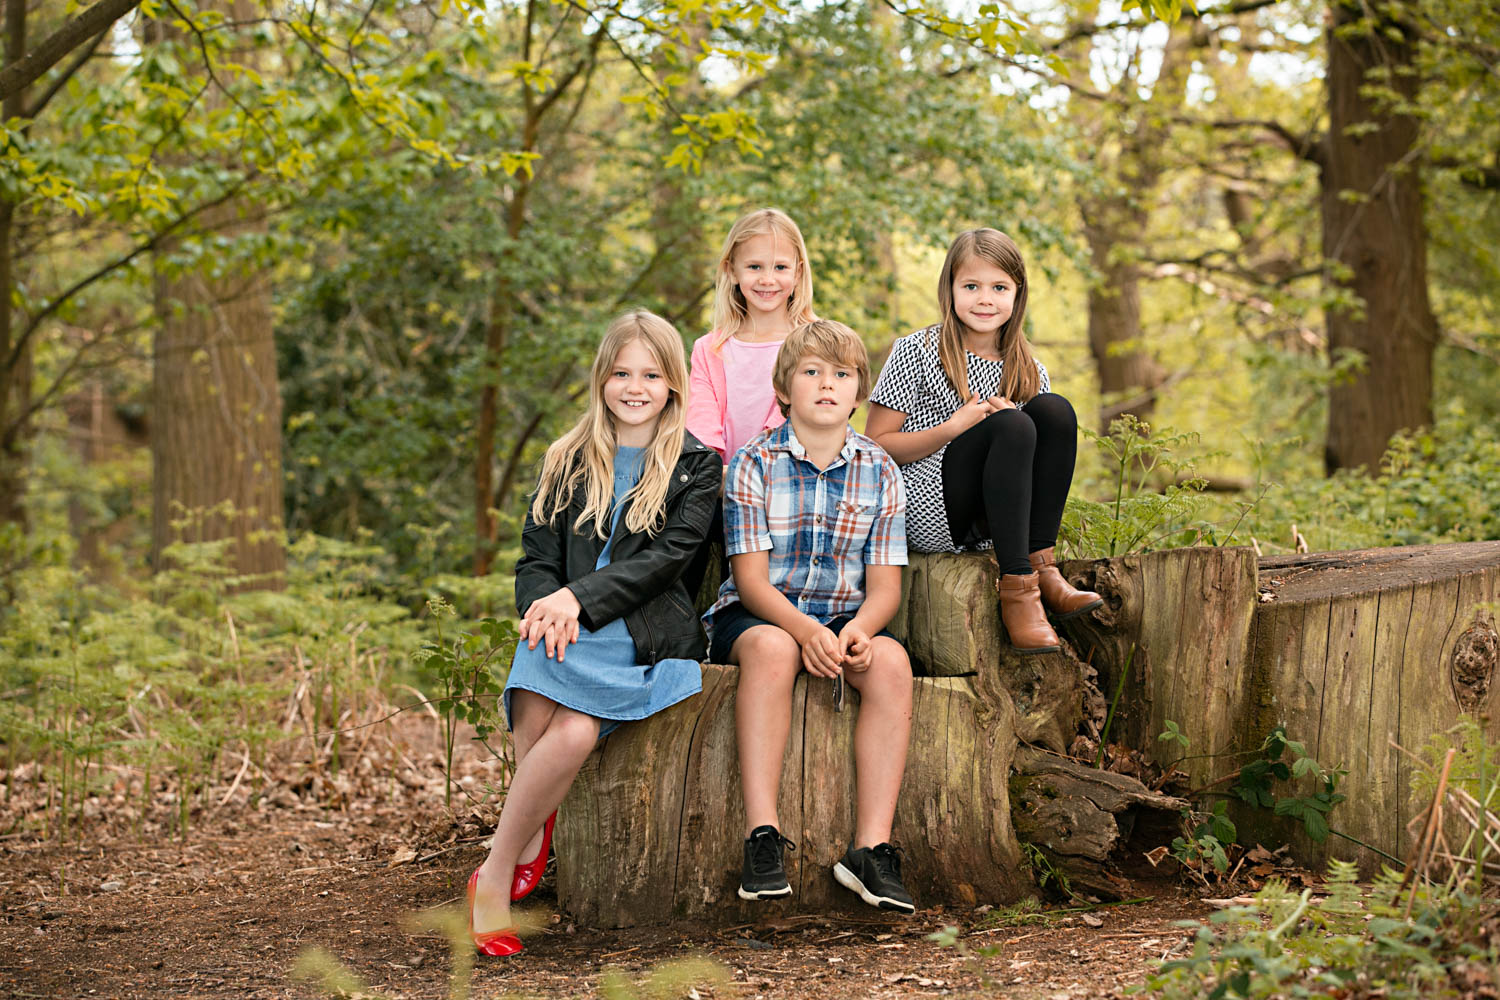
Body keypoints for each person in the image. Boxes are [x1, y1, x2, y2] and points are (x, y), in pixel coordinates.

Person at [467, 310, 720, 956]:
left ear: (672, 385)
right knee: (568, 719)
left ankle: (502, 858)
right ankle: (514, 851)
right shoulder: (567, 459)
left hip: (636, 633)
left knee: (566, 702)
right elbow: (535, 559)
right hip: (560, 625)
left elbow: (665, 564)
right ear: (600, 379)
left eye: (650, 374)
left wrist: (575, 602)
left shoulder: (696, 467)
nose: (634, 387)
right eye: (621, 372)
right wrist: (541, 607)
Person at [704, 319, 916, 914]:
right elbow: (750, 582)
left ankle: (871, 849)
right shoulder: (753, 463)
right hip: (760, 615)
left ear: (859, 392)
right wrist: (804, 631)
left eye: (842, 374)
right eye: (812, 372)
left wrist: (860, 630)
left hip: (847, 617)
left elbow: (885, 589)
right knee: (773, 650)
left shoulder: (880, 469)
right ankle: (762, 837)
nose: (827, 384)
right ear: (784, 389)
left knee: (892, 665)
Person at [865, 229, 1101, 656]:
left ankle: (1041, 566)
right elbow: (874, 446)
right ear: (950, 289)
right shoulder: (916, 350)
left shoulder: (1028, 367)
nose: (985, 299)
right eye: (971, 286)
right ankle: (1019, 593)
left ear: (1017, 294)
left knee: (1054, 411)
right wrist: (954, 428)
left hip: (996, 517)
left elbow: (1035, 459)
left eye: (999, 288)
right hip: (927, 505)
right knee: (1012, 426)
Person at [681, 209, 819, 599]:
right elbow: (701, 432)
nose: (767, 279)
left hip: (791, 484)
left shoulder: (814, 344)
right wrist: (719, 474)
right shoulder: (711, 349)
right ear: (731, 270)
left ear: (798, 272)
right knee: (687, 509)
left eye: (780, 267)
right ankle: (672, 628)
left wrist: (745, 478)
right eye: (755, 266)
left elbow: (806, 424)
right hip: (719, 486)